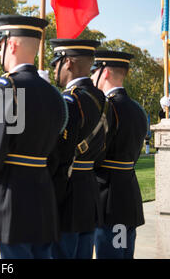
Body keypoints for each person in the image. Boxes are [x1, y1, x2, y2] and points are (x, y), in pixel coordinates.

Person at [0, 15, 67, 259]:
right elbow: (56, 157)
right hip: (43, 204)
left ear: (11, 45)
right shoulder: (55, 95)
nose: (1, 50)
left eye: (1, 44)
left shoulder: (5, 88)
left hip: (8, 205)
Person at [48, 39, 110, 259]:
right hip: (89, 191)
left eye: (56, 63)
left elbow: (58, 154)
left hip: (67, 195)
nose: (54, 69)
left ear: (68, 63)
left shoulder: (69, 100)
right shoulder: (103, 99)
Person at [90, 50, 147, 259]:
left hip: (108, 196)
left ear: (104, 73)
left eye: (93, 71)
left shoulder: (105, 108)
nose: (90, 77)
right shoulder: (138, 109)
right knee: (124, 253)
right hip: (128, 192)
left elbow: (94, 153)